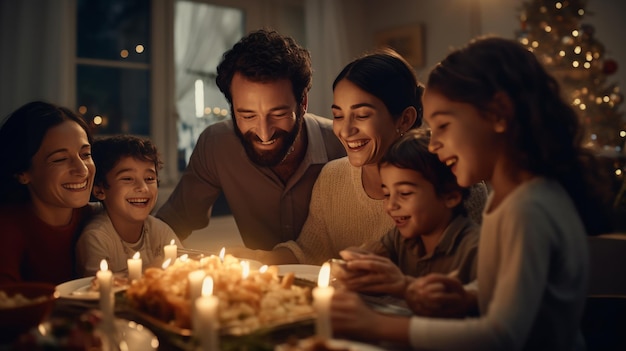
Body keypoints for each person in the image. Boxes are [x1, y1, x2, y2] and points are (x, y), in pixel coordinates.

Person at [330, 36, 613, 350]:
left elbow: (502, 335)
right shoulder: (507, 198)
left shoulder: (528, 209)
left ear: (497, 114)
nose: (434, 145)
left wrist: (376, 324)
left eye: (444, 126)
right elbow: (515, 288)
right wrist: (466, 294)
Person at [233, 49, 487, 265]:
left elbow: (464, 283)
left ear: (405, 119)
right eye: (338, 115)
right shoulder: (332, 177)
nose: (345, 130)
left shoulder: (455, 182)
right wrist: (259, 259)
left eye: (362, 115)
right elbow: (309, 253)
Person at [156, 29, 345, 250]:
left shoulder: (344, 144)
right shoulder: (216, 144)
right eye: (248, 116)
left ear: (302, 103)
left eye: (278, 114)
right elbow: (174, 221)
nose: (264, 133)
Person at [333, 129, 479, 299]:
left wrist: (403, 285)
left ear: (450, 196)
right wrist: (356, 263)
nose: (391, 205)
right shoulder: (400, 239)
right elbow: (373, 256)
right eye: (387, 194)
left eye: (405, 193)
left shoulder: (476, 249)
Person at [0, 101, 96, 284]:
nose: (82, 170)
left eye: (85, 155)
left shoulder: (98, 218)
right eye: (60, 159)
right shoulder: (6, 228)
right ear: (22, 173)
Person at [76, 135, 183, 277]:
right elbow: (96, 289)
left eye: (149, 178)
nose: (143, 188)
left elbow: (184, 268)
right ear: (100, 190)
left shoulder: (159, 230)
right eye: (127, 179)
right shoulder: (96, 238)